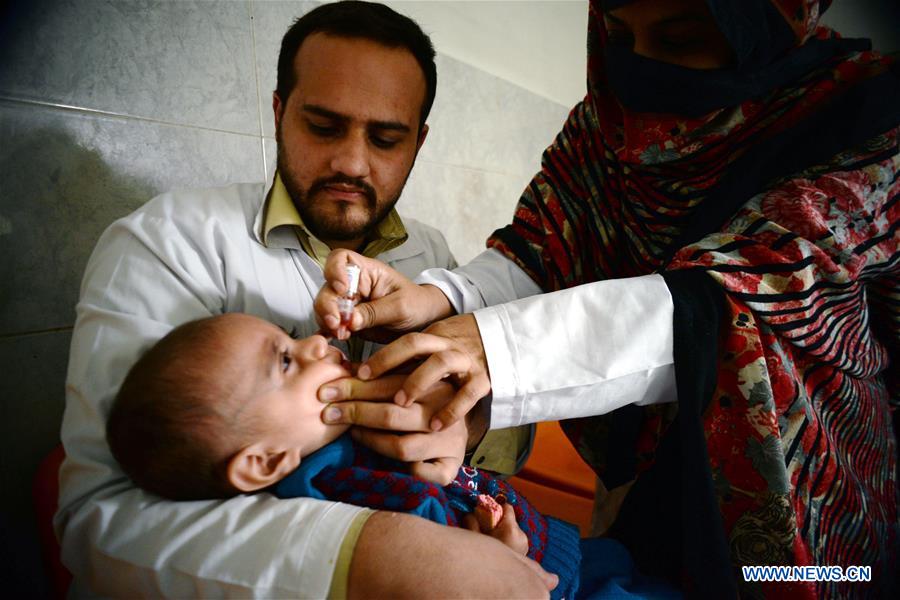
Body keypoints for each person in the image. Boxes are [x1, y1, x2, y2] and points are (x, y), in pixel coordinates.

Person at [314, 0, 900, 598]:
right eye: (619, 36)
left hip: (811, 496)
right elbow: (541, 249)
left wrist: (492, 350)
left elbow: (751, 284)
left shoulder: (871, 113)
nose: (643, 67)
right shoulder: (603, 127)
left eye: (681, 35)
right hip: (637, 487)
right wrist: (443, 296)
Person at [56, 2, 555, 597]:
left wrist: (462, 426)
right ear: (279, 112)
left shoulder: (431, 256)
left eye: (386, 138)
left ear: (419, 142)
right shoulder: (166, 243)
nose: (350, 161)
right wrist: (376, 555)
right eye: (323, 126)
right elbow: (100, 522)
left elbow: (503, 428)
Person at [105, 312, 583, 600]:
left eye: (290, 338)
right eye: (287, 360)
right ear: (266, 462)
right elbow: (457, 566)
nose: (317, 342)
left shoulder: (345, 433)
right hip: (549, 579)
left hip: (559, 545)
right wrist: (502, 557)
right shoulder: (339, 488)